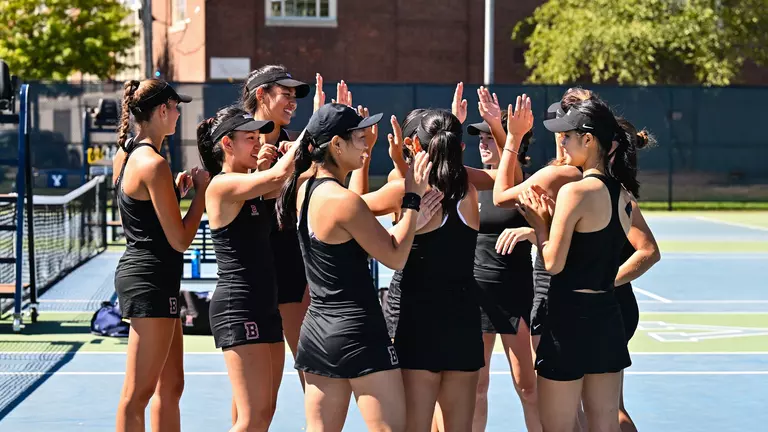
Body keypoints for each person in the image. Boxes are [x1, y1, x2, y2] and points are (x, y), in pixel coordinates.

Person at [276, 103, 434, 431]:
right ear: (336, 144)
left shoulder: (303, 190)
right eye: (359, 138)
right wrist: (413, 200)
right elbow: (395, 256)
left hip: (318, 333)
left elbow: (354, 209)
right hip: (359, 333)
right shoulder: (343, 201)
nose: (366, 144)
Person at [516, 96, 639, 432]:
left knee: (558, 425)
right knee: (604, 423)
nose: (562, 143)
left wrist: (540, 224)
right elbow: (643, 251)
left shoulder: (576, 191)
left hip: (568, 320)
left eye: (567, 136)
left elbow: (553, 263)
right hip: (607, 317)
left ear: (588, 139)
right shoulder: (623, 195)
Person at [196, 105, 299, 431]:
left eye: (258, 136)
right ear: (227, 143)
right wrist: (309, 137)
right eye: (249, 138)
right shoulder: (222, 186)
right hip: (239, 307)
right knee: (252, 418)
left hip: (265, 305)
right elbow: (279, 176)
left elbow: (291, 180)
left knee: (263, 414)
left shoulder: (251, 184)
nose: (258, 143)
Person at [113, 79, 207, 432]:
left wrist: (173, 191)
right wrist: (200, 195)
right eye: (176, 107)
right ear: (162, 110)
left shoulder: (127, 155)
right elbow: (181, 240)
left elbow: (144, 212)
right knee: (136, 394)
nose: (179, 114)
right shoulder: (153, 164)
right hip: (149, 282)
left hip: (157, 279)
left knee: (171, 386)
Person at [392, 109, 483, 431]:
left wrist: (397, 164)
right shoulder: (469, 193)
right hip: (464, 319)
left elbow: (351, 203)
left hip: (419, 320)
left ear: (416, 145)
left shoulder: (409, 194)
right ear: (459, 147)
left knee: (414, 425)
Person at [466, 114, 541, 432]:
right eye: (479, 138)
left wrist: (530, 234)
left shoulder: (524, 185)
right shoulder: (472, 183)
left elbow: (552, 232)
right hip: (477, 295)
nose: (483, 143)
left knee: (528, 386)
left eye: (489, 137)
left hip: (516, 294)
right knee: (476, 388)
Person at [240, 65, 312, 391]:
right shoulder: (233, 140)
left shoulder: (290, 144)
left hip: (289, 263)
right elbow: (238, 196)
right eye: (286, 95)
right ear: (261, 95)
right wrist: (272, 169)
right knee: (258, 397)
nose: (293, 103)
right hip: (250, 273)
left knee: (310, 367)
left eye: (295, 97)